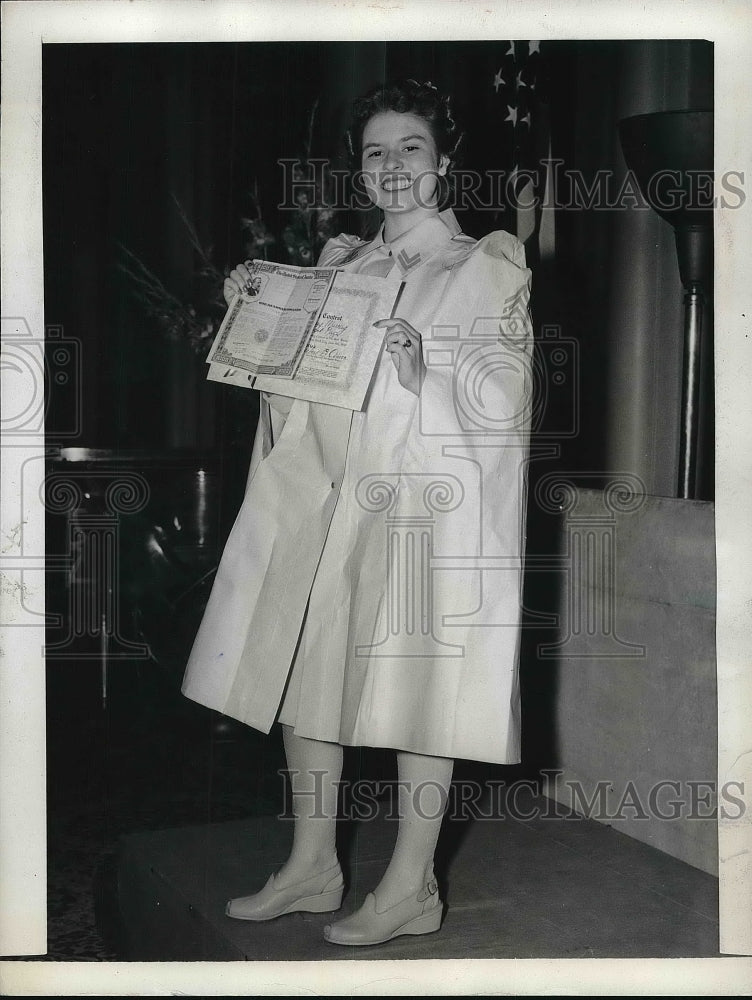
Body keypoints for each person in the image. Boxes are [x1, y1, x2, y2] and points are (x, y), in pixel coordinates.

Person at [182, 79, 533, 947]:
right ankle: (312, 865)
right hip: (329, 497)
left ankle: (411, 885)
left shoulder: (482, 265)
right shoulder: (340, 266)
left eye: (410, 147)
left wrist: (426, 375)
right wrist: (256, 321)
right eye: (375, 151)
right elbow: (293, 395)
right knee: (306, 672)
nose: (392, 166)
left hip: (420, 508)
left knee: (421, 687)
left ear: (443, 162)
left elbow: (510, 396)